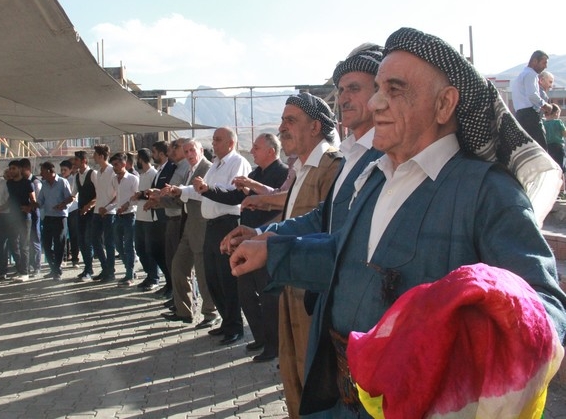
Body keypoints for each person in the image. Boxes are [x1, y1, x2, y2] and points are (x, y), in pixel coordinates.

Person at [230, 27, 566, 418]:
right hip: (339, 399)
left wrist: (465, 323)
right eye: (377, 91)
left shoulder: (489, 193)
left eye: (394, 89)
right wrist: (272, 250)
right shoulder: (374, 178)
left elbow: (545, 310)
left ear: (444, 104)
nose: (375, 104)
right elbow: (344, 257)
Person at [224, 46, 385, 375]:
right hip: (299, 281)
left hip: (325, 291)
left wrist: (273, 247)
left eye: (354, 88)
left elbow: (340, 237)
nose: (344, 98)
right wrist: (263, 235)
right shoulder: (345, 158)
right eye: (340, 90)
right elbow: (320, 215)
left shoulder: (349, 161)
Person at [202, 133, 288, 363]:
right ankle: (260, 337)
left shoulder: (283, 172)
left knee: (268, 296)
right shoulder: (254, 173)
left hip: (267, 240)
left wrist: (253, 189)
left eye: (257, 147)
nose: (253, 151)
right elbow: (237, 198)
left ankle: (274, 346)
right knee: (245, 293)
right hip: (248, 239)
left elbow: (281, 200)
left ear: (271, 151)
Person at [182, 127, 252, 345]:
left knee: (227, 278)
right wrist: (180, 191)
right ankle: (225, 320)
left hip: (227, 225)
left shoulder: (237, 163)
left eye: (218, 140)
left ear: (231, 143)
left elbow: (234, 196)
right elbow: (201, 191)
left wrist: (206, 190)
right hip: (211, 226)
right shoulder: (215, 166)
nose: (214, 143)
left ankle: (235, 327)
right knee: (212, 278)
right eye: (213, 139)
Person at [159, 139, 219, 328]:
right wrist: (162, 197)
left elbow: (201, 195)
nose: (189, 154)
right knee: (178, 267)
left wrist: (177, 192)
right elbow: (182, 199)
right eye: (186, 151)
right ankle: (184, 311)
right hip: (189, 227)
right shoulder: (191, 171)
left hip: (202, 228)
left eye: (192, 150)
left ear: (200, 150)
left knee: (202, 274)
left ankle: (210, 313)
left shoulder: (207, 169)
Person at [139, 140, 176, 291]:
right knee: (155, 250)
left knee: (166, 253)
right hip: (157, 215)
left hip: (166, 216)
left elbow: (168, 191)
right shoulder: (160, 169)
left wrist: (156, 198)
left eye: (154, 152)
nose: (152, 155)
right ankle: (168, 283)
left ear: (162, 153)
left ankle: (172, 287)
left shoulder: (171, 169)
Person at [36, 161, 73, 281]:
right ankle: (54, 268)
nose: (41, 174)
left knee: (59, 244)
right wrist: (34, 204)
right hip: (48, 217)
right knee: (46, 245)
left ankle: (57, 270)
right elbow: (41, 200)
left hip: (60, 217)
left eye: (42, 171)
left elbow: (70, 197)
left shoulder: (62, 182)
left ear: (49, 171)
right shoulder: (44, 184)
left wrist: (63, 204)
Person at [510, 50, 551, 149]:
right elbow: (532, 95)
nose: (545, 66)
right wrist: (545, 105)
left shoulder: (522, 75)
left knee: (528, 149)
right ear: (534, 61)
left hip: (521, 116)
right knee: (541, 149)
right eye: (543, 63)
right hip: (530, 116)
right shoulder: (531, 75)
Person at [130, 148, 159, 287]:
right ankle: (149, 274)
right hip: (140, 216)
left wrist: (140, 195)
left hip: (150, 218)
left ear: (142, 159)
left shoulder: (154, 174)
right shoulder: (141, 175)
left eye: (138, 159)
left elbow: (154, 194)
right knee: (140, 248)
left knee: (149, 249)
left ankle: (154, 277)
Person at [109, 153, 139, 285]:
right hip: (118, 215)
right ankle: (130, 270)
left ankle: (129, 274)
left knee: (128, 246)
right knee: (118, 245)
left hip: (129, 216)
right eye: (113, 165)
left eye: (116, 164)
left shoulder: (133, 179)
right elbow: (117, 197)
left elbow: (137, 198)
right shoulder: (114, 180)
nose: (114, 167)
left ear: (124, 164)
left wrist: (126, 206)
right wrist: (108, 207)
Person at [91, 144, 118, 283]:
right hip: (97, 210)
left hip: (109, 212)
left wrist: (107, 207)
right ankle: (105, 267)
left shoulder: (112, 171)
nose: (93, 157)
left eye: (95, 154)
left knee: (109, 242)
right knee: (94, 240)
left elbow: (117, 194)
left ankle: (111, 271)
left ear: (101, 156)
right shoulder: (98, 172)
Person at [5, 159, 36, 282]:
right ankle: (19, 267)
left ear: (19, 169)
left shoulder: (28, 183)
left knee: (24, 245)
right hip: (13, 216)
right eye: (10, 168)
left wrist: (29, 208)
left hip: (24, 217)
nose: (11, 171)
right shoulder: (9, 183)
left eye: (14, 168)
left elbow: (33, 200)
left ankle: (25, 272)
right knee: (13, 243)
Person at [72, 151, 97, 281]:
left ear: (84, 161)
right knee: (81, 240)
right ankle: (86, 267)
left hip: (91, 213)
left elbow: (99, 194)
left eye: (76, 160)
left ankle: (89, 269)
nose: (74, 162)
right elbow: (73, 194)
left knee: (88, 241)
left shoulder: (93, 174)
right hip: (81, 212)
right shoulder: (76, 176)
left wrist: (89, 206)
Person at [20, 158, 42, 276]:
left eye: (21, 169)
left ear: (27, 169)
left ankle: (36, 266)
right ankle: (27, 264)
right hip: (24, 215)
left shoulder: (35, 182)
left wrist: (29, 207)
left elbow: (38, 201)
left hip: (33, 214)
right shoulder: (21, 182)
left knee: (35, 240)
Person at [60, 159, 80, 269]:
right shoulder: (59, 181)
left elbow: (73, 196)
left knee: (74, 235)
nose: (63, 172)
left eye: (65, 170)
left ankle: (75, 259)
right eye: (61, 170)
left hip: (72, 209)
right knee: (63, 235)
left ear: (70, 170)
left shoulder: (74, 180)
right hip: (63, 211)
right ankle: (63, 258)